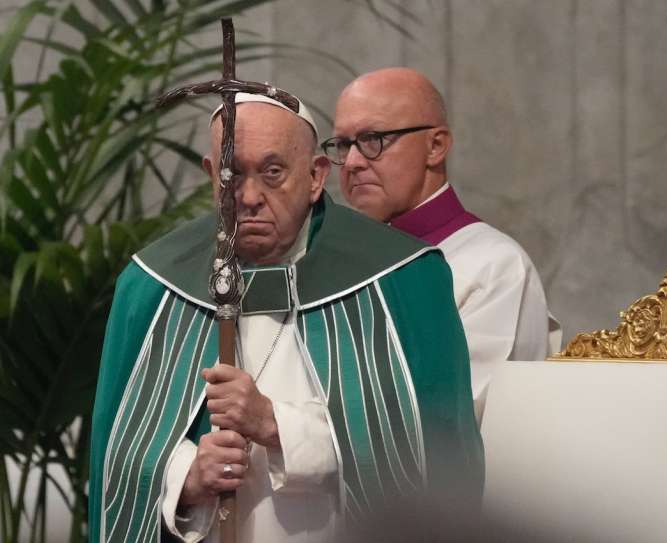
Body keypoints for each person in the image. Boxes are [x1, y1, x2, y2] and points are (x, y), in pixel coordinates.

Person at [88, 90, 483, 543]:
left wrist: (274, 425)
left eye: (273, 172)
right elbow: (118, 456)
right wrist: (185, 478)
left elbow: (435, 449)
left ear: (316, 176)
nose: (250, 196)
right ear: (210, 174)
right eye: (232, 175)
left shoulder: (401, 280)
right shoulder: (153, 286)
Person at [324, 67, 561, 424]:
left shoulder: (494, 268)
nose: (353, 162)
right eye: (343, 144)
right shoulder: (329, 263)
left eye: (373, 139)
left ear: (435, 146)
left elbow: (453, 420)